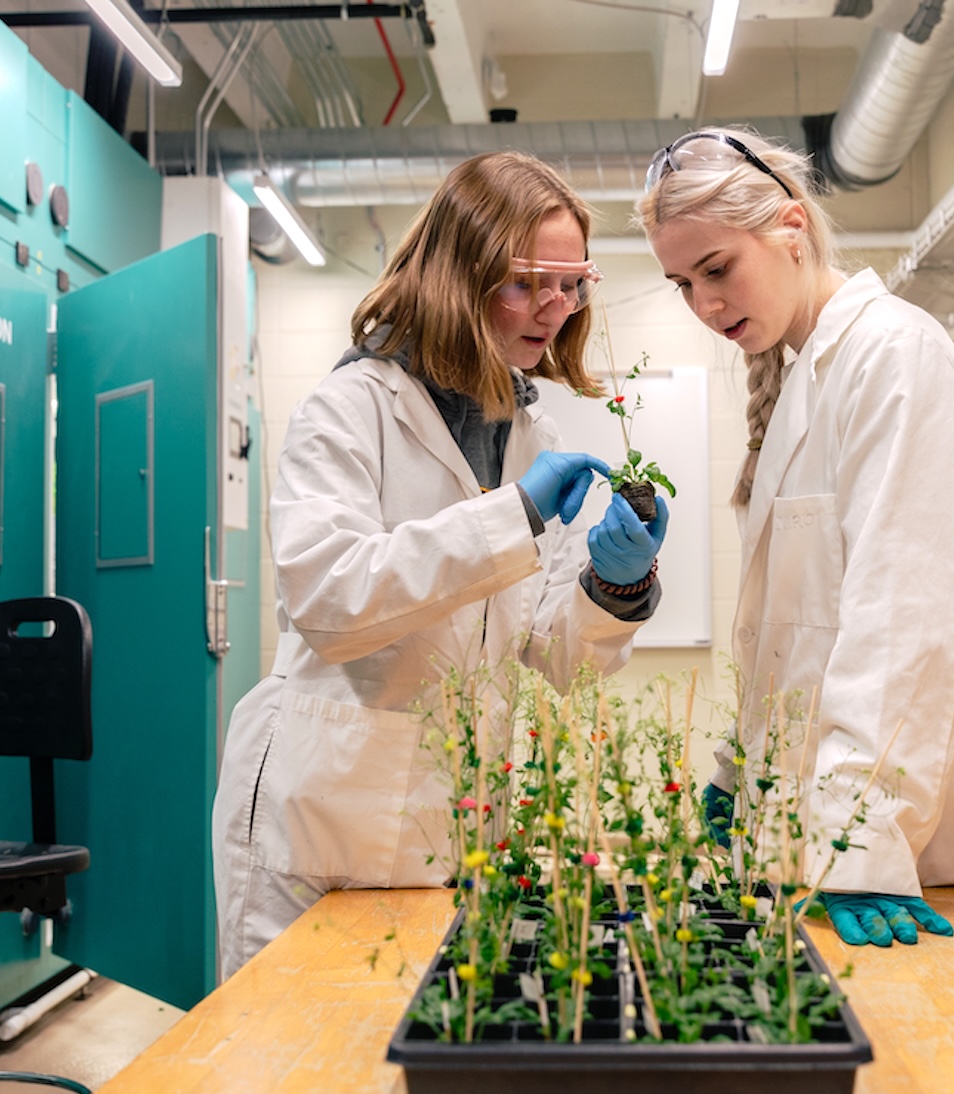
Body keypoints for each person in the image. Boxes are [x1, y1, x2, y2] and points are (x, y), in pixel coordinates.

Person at [213, 151, 670, 979]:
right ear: (462, 273)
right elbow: (332, 601)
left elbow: (554, 650)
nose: (557, 308)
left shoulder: (530, 434)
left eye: (573, 284)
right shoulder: (349, 410)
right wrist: (515, 514)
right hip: (325, 815)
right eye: (530, 282)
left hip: (452, 824)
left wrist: (615, 586)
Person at [635, 128, 954, 948]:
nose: (705, 306)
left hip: (914, 864)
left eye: (717, 269)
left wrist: (858, 843)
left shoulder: (894, 355)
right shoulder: (804, 377)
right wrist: (737, 767)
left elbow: (902, 621)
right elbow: (796, 635)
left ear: (791, 228)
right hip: (819, 840)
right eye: (682, 282)